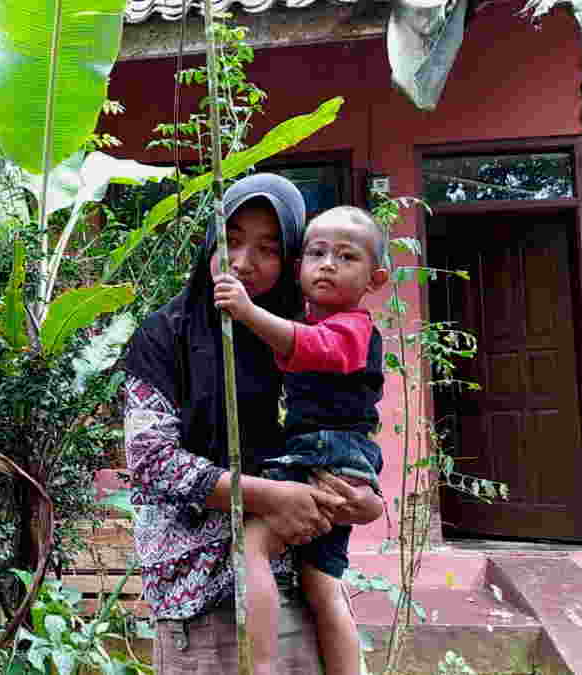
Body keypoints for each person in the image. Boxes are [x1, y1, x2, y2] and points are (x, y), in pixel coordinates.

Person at [123, 174, 382, 673]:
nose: (242, 262)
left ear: (290, 260)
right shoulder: (165, 336)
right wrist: (271, 496)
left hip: (298, 595)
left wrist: (366, 503)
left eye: (268, 249)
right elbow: (152, 463)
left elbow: (345, 429)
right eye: (232, 241)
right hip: (199, 602)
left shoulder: (305, 337)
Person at [214, 205, 389, 675]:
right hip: (335, 459)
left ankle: (261, 666)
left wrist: (248, 312)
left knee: (251, 547)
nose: (328, 264)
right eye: (317, 253)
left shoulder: (353, 327)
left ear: (375, 280)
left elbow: (307, 345)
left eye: (346, 257)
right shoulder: (312, 319)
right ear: (299, 266)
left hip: (327, 456)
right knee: (321, 584)